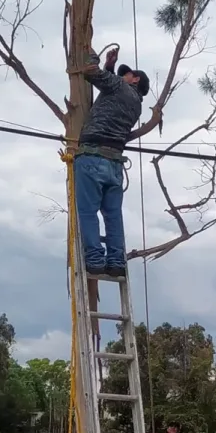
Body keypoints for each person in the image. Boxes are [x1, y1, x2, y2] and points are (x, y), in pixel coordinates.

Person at [74, 46, 150, 278]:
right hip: (115, 165)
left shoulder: (119, 87)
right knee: (113, 215)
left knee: (87, 212)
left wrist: (93, 55)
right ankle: (116, 262)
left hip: (92, 157)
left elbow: (90, 71)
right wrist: (110, 66)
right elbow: (110, 88)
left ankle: (95, 261)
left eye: (127, 73)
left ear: (135, 80)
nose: (122, 75)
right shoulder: (136, 104)